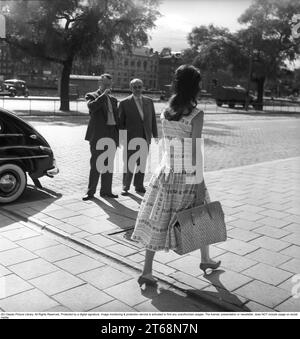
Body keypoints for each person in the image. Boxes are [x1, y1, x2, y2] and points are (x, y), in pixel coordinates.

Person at [131, 65, 221, 286]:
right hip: (187, 175)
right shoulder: (196, 115)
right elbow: (193, 152)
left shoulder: (165, 111)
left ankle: (148, 270)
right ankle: (205, 260)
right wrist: (199, 183)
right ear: (194, 86)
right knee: (202, 215)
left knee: (158, 220)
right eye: (199, 82)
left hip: (166, 172)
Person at [83, 73, 119, 200]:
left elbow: (117, 119)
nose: (108, 87)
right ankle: (90, 192)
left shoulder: (114, 100)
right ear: (100, 83)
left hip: (111, 135)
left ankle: (106, 191)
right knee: (96, 165)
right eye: (105, 84)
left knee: (108, 165)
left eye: (109, 85)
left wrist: (118, 138)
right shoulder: (91, 96)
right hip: (98, 136)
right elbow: (92, 107)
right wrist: (103, 96)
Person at [119, 79, 158, 195]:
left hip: (145, 137)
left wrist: (155, 135)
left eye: (139, 87)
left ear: (142, 88)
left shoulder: (149, 102)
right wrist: (122, 139)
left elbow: (153, 120)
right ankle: (125, 186)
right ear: (131, 88)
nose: (137, 89)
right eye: (135, 87)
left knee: (142, 163)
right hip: (130, 138)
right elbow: (120, 123)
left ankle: (139, 185)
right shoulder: (124, 103)